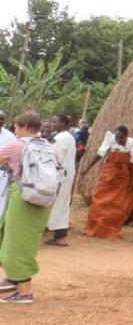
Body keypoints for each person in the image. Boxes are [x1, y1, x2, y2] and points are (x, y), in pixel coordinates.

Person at [0, 112, 58, 304]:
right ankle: (14, 280)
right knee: (21, 240)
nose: (14, 131)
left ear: (24, 126)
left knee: (16, 244)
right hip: (43, 199)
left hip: (23, 197)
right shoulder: (48, 146)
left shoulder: (17, 145)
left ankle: (24, 292)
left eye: (16, 127)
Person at [82, 125, 133, 239]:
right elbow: (100, 154)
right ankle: (94, 228)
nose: (118, 139)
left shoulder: (132, 144)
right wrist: (88, 168)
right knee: (99, 200)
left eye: (121, 137)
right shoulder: (110, 139)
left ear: (126, 136)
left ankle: (110, 230)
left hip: (123, 178)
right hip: (108, 175)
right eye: (117, 136)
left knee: (117, 204)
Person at [45, 115, 77, 246]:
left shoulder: (59, 138)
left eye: (55, 122)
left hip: (59, 175)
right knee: (63, 204)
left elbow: (56, 157)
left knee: (55, 203)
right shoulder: (69, 137)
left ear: (63, 123)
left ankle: (56, 233)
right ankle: (60, 235)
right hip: (67, 174)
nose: (53, 124)